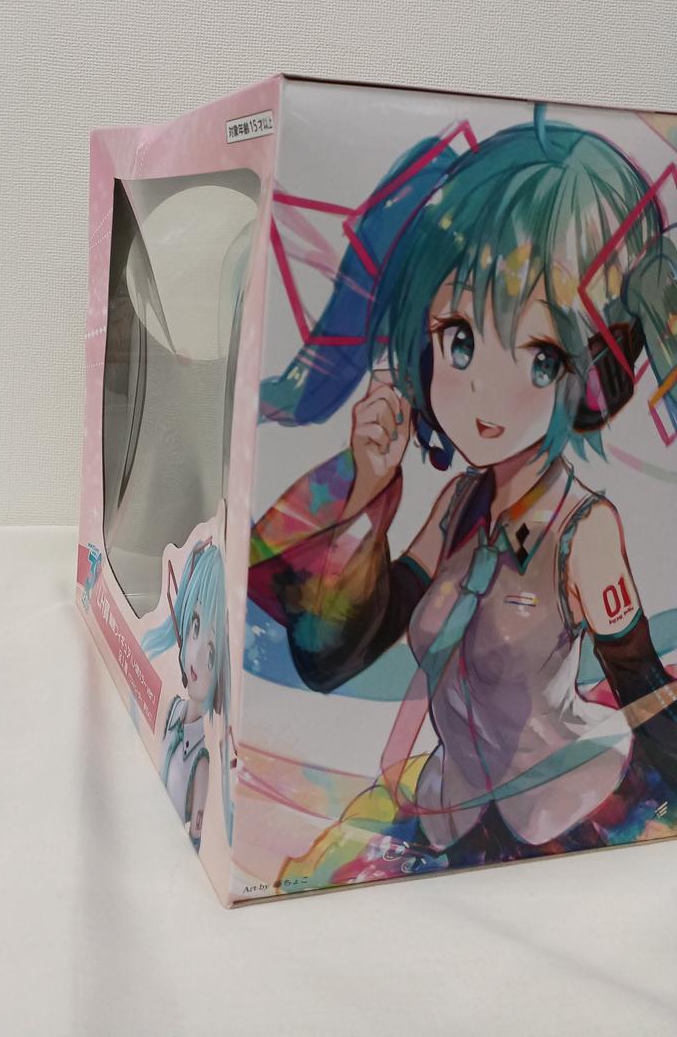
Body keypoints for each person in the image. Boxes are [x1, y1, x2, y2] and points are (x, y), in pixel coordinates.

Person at [249, 109, 677, 886]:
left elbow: (642, 688)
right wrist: (369, 487)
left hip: (565, 828)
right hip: (445, 820)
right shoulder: (458, 507)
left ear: (595, 372)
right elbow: (332, 655)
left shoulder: (583, 531)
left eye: (541, 357)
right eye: (459, 341)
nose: (483, 392)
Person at [143, 541, 234, 850]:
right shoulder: (171, 711)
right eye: (195, 624)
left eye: (211, 653)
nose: (195, 655)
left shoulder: (201, 761)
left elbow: (196, 839)